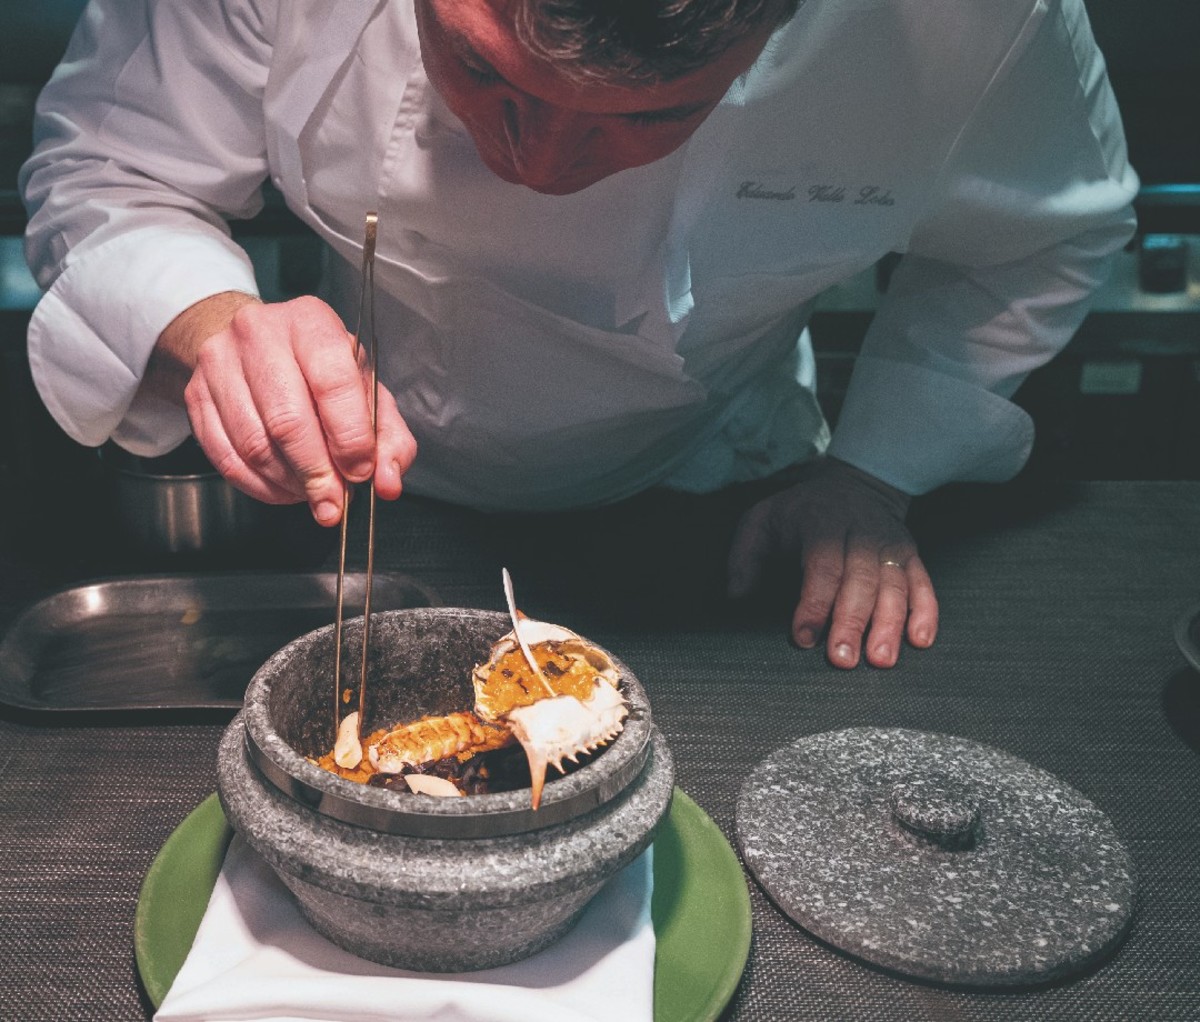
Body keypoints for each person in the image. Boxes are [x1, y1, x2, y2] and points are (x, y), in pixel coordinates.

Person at [21, 0, 1137, 669]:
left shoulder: (973, 26)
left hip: (720, 505)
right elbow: (108, 167)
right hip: (363, 505)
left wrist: (878, 469)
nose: (540, 170)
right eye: (477, 69)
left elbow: (1043, 240)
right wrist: (213, 322)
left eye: (652, 115)